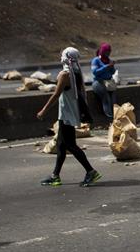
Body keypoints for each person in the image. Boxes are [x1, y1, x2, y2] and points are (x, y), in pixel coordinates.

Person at [37, 47, 101, 187]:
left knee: (70, 145)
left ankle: (91, 171)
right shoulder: (76, 72)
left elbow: (56, 95)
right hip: (68, 114)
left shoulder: (66, 74)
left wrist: (43, 111)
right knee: (61, 145)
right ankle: (55, 175)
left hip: (66, 115)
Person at [90, 42, 116, 120]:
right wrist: (106, 67)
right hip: (99, 82)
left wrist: (112, 67)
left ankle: (115, 116)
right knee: (106, 98)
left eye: (109, 51)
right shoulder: (96, 60)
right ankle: (109, 117)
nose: (108, 53)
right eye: (107, 51)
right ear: (103, 51)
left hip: (109, 82)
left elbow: (112, 72)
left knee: (113, 100)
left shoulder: (109, 60)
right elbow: (95, 72)